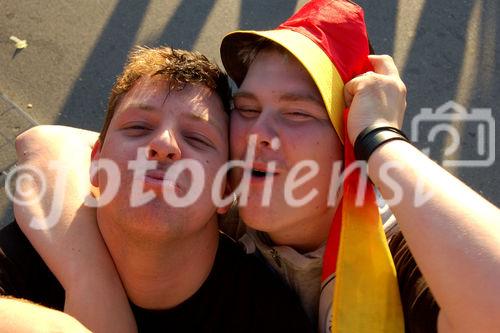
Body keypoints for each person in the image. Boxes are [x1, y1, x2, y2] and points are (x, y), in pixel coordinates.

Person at [12, 0, 500, 332]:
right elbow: (50, 145)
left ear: (347, 149)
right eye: (246, 110)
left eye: (297, 113)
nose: (258, 134)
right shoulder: (233, 191)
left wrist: (383, 142)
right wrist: (92, 292)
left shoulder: (401, 246)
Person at [1, 46, 314, 332]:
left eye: (197, 138)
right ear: (95, 161)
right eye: (138, 127)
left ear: (225, 189)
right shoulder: (26, 254)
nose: (164, 145)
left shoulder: (265, 314)